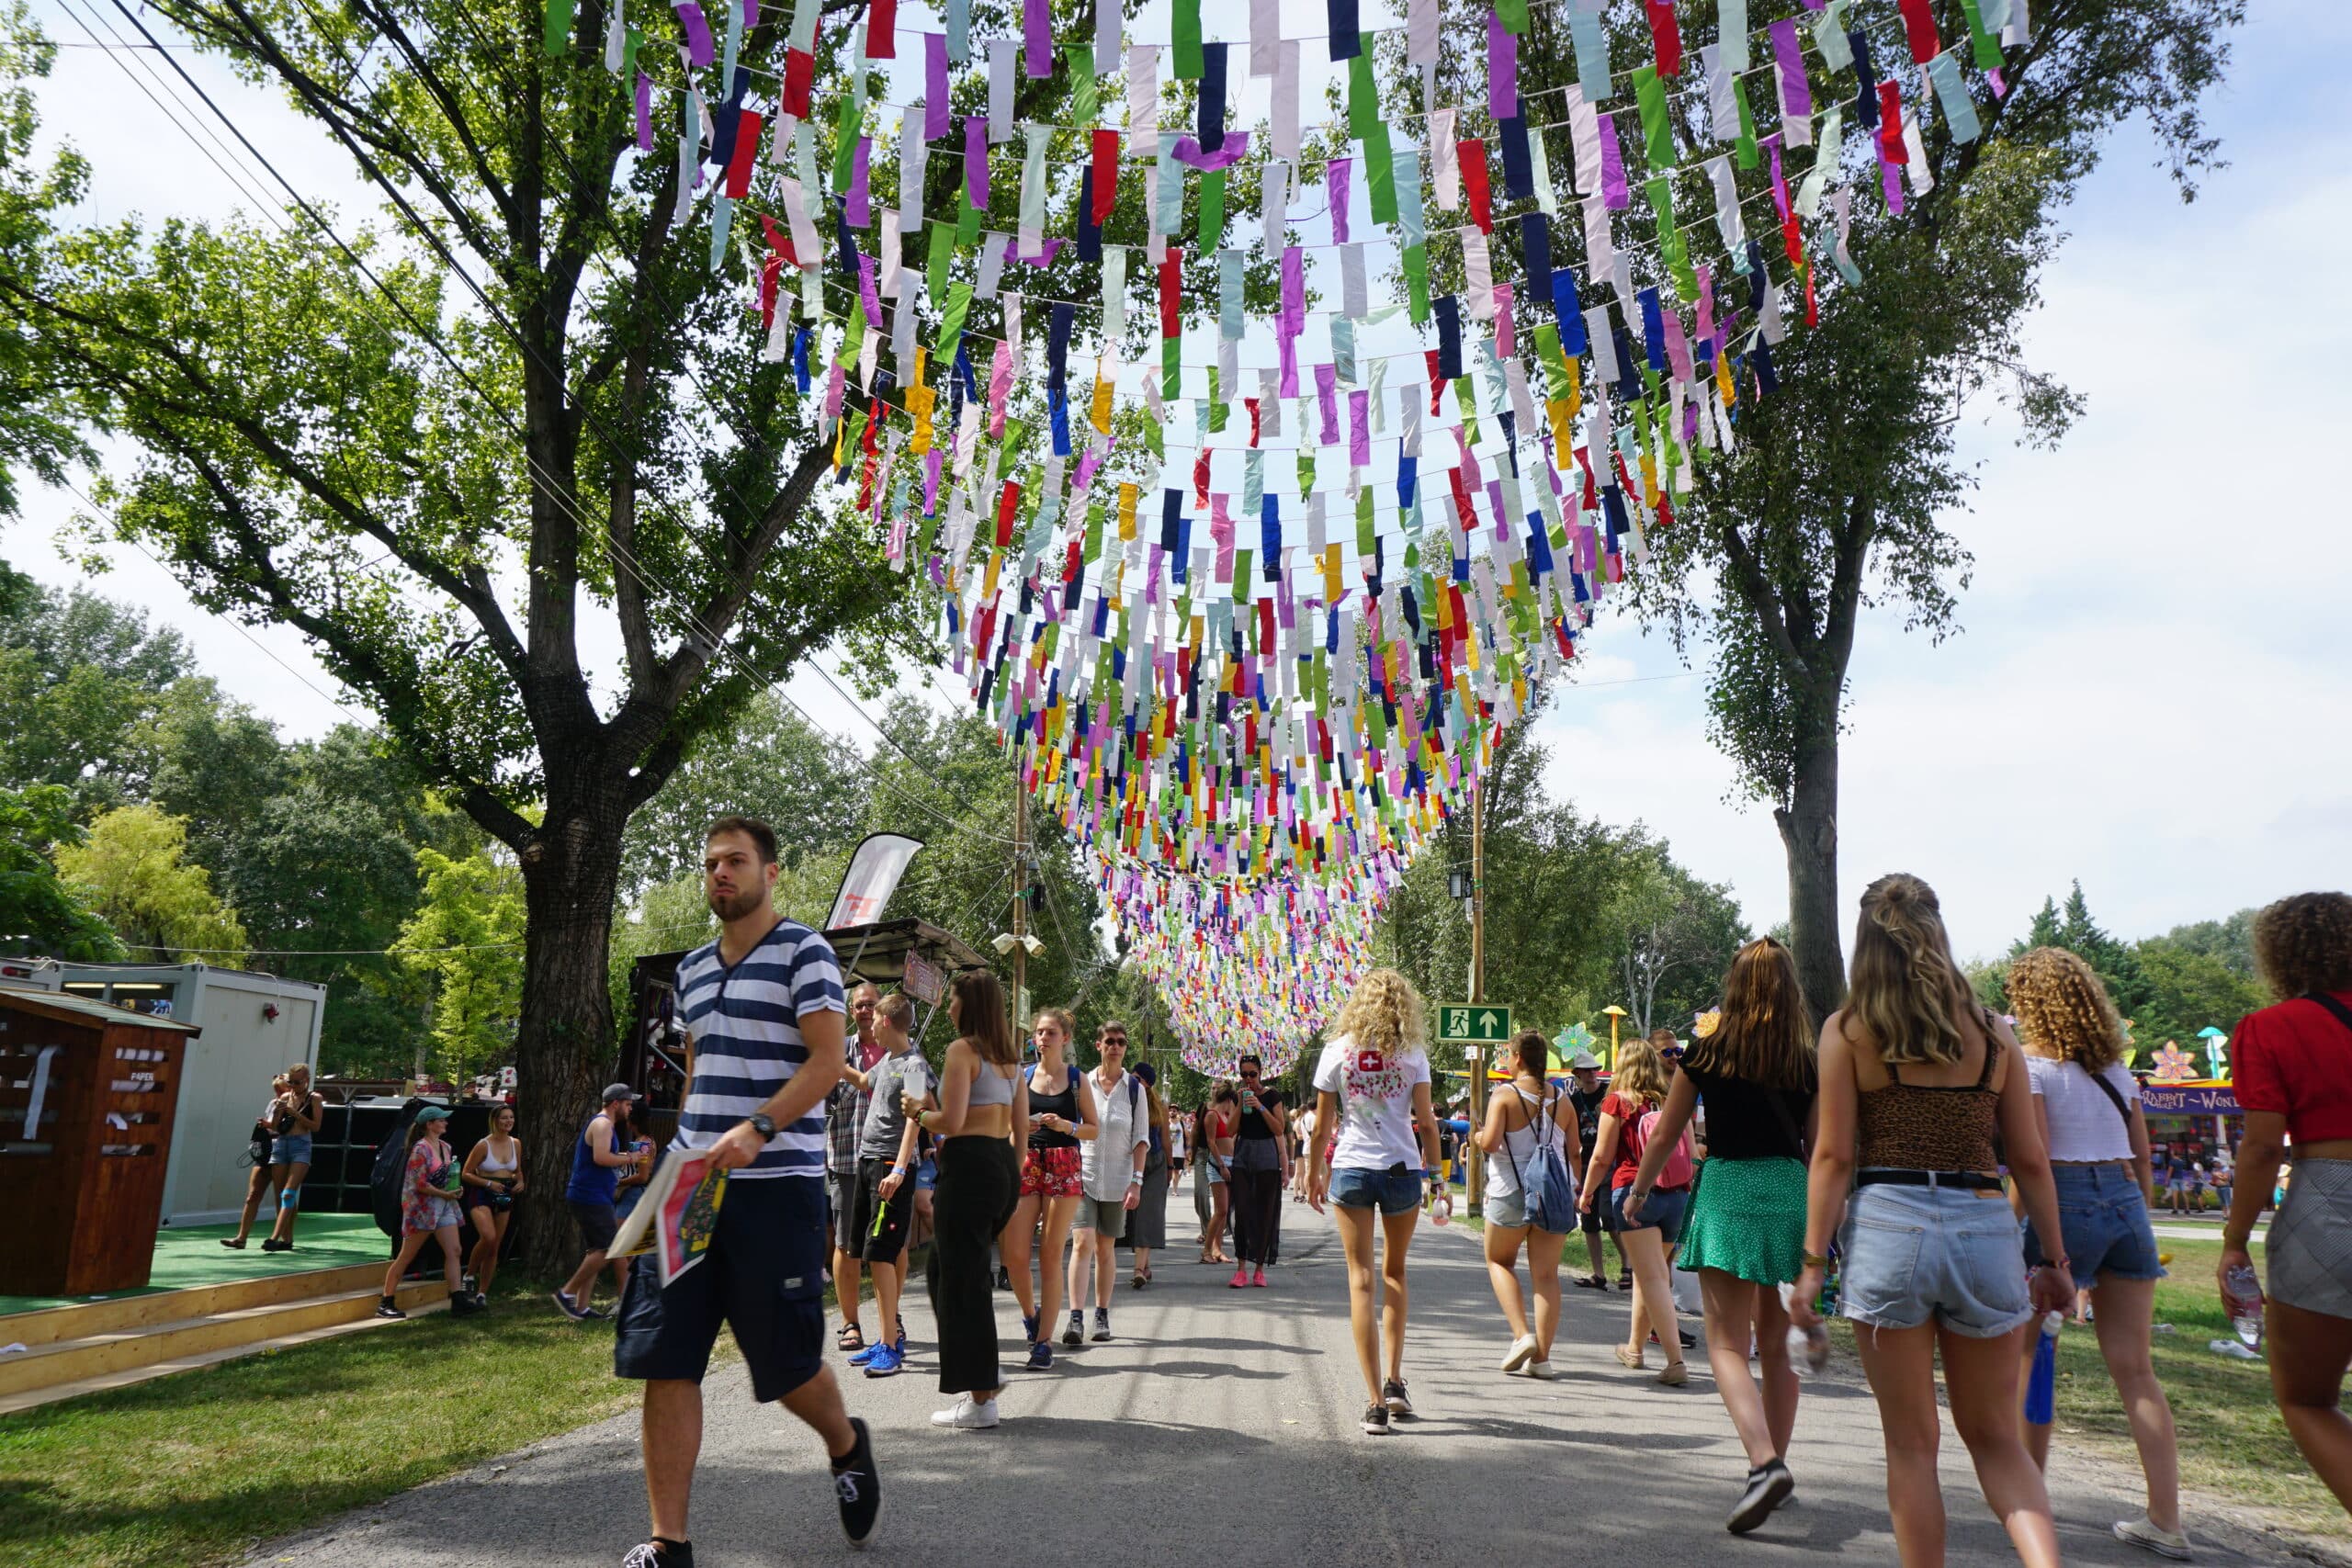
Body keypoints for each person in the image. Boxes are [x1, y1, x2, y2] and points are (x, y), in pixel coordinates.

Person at [613, 815, 879, 1568]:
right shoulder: (692, 970)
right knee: (665, 1356)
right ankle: (670, 1543)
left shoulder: (807, 953)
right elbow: (701, 1071)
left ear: (770, 872)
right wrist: (678, 1159)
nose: (719, 874)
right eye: (710, 864)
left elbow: (828, 1061)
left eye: (734, 861)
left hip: (776, 1186)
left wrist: (759, 1126)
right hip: (692, 1188)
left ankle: (846, 1442)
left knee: (786, 1365)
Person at [1788, 874, 2074, 1568]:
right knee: (1997, 1438)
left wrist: (1812, 1264)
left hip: (1890, 1227)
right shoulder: (1993, 1032)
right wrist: (2058, 1265)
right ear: (1937, 933)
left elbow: (1832, 1155)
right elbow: (2030, 1160)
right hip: (1983, 1227)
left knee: (1912, 1445)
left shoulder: (1849, 1030)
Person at [1628, 938, 1818, 1533]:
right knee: (1777, 1343)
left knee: (1727, 1345)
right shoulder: (1808, 1058)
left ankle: (1763, 1463)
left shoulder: (1708, 1051)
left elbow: (1667, 1133)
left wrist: (1639, 1191)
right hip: (1790, 1191)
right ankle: (1775, 1468)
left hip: (1729, 1190)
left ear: (1734, 986)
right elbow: (1819, 1145)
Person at [2004, 947, 2187, 1557]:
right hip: (2126, 1204)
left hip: (2065, 1200)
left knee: (2033, 1355)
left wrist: (2014, 1228)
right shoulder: (2114, 1070)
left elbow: (2035, 1158)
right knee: (2136, 1370)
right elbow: (2143, 1162)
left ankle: (2029, 1499)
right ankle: (2167, 1517)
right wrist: (2133, 1218)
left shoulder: (2030, 1066)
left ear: (2031, 1002)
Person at [2220, 891, 2352, 1519]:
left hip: (2328, 1203)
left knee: (2307, 1399)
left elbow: (2263, 1145)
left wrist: (2234, 1239)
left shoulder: (2271, 1028)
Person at [1306, 968, 1441, 1435]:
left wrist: (1312, 1172)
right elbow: (1427, 1122)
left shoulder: (1335, 1052)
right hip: (1403, 1169)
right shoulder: (1412, 1053)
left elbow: (1323, 1127)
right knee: (1395, 1273)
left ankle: (1374, 1404)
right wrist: (1438, 1176)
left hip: (1352, 1168)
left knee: (1360, 1281)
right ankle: (1396, 1381)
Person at [910, 968, 1025, 1430]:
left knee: (963, 1280)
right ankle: (983, 1373)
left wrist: (919, 1111)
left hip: (971, 1167)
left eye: (953, 1001)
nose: (949, 1008)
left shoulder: (962, 1051)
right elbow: (1020, 1129)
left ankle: (982, 1394)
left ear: (969, 1005)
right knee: (948, 1270)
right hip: (1000, 1167)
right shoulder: (1011, 1059)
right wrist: (1011, 1181)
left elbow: (951, 1121)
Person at [1577, 1036, 1691, 1386]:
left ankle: (1675, 1360)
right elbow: (1691, 1148)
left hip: (1636, 1193)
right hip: (1677, 1195)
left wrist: (1586, 1193)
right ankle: (1634, 1349)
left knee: (1654, 1277)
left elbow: (1601, 1157)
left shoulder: (1618, 1102)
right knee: (1650, 1273)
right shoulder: (1673, 1097)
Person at [1476, 1029, 1577, 1380]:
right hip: (1553, 1193)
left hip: (1511, 1192)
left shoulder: (1504, 1095)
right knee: (1547, 1275)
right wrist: (1577, 1189)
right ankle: (1543, 1359)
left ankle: (1522, 1336)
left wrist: (1476, 1135)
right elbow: (1574, 1151)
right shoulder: (1563, 1100)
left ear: (1518, 1058)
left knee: (1499, 1261)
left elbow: (1490, 1143)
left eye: (1508, 1054)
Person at [1001, 1006, 1095, 1371]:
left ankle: (1043, 1344)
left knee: (1051, 1255)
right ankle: (1031, 1316)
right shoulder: (1022, 1076)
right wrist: (1022, 1126)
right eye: (1039, 1032)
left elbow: (1093, 1129)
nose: (1043, 1038)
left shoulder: (1076, 1079)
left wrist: (1066, 1125)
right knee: (1014, 1256)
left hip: (1063, 1162)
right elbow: (1009, 1127)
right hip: (1026, 1161)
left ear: (1065, 1038)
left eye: (1050, 1032)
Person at [845, 991, 931, 1379]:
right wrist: (831, 1061)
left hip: (888, 1167)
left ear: (888, 1021)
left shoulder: (913, 1063)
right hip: (867, 1163)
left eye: (875, 1019)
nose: (869, 1025)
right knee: (872, 1255)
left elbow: (916, 1117)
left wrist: (898, 1169)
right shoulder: (887, 1061)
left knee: (882, 1255)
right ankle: (883, 1340)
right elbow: (864, 1081)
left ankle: (891, 1347)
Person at [1064, 1021, 1148, 1344]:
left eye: (1121, 1042)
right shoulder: (1082, 1084)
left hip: (1118, 1181)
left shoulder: (1134, 1090)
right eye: (1109, 1041)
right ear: (1098, 1045)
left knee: (1104, 1248)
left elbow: (1140, 1138)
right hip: (1082, 1176)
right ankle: (1075, 1318)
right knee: (1083, 1243)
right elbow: (1074, 1128)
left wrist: (1136, 1181)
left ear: (1126, 1047)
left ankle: (1101, 1314)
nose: (1115, 1046)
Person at [827, 981, 888, 1354]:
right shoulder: (837, 1051)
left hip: (889, 1162)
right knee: (847, 1245)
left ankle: (890, 1319)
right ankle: (850, 1322)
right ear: (851, 1011)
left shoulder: (901, 1051)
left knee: (889, 1246)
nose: (865, 1011)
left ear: (882, 1010)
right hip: (847, 1159)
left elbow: (916, 1104)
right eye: (859, 1006)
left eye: (871, 1005)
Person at [376, 1104, 478, 1319]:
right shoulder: (420, 1149)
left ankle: (457, 1299)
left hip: (444, 1206)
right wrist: (444, 1194)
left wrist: (454, 1190)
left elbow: (447, 1177)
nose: (446, 1122)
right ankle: (386, 1301)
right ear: (429, 1124)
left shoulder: (446, 1147)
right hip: (422, 1210)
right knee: (407, 1255)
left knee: (455, 1250)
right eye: (441, 1120)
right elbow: (419, 1184)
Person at [556, 1083, 642, 1320]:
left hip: (594, 1195)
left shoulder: (606, 1125)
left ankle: (582, 1308)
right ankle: (567, 1293)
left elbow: (603, 1155)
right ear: (616, 1103)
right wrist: (629, 1159)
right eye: (627, 1103)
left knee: (597, 1251)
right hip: (590, 1196)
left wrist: (626, 1156)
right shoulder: (603, 1124)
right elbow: (601, 1157)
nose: (630, 1108)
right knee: (608, 1249)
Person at [239, 1064, 322, 1252]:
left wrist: (293, 1112)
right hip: (281, 1145)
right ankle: (287, 1239)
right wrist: (277, 1113)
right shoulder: (285, 1097)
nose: (293, 1086)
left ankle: (274, 1237)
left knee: (288, 1193)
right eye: (290, 1082)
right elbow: (276, 1127)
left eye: (297, 1082)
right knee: (280, 1195)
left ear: (306, 1080)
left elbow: (316, 1126)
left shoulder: (314, 1098)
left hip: (301, 1145)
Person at [1562, 1052, 1622, 1290]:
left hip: (1609, 1161)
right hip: (1585, 1162)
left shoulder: (1609, 1093)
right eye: (1586, 1070)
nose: (1591, 1073)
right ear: (1577, 1074)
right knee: (1588, 1220)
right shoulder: (1573, 1100)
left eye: (1594, 1069)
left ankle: (1627, 1266)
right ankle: (1599, 1274)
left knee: (1609, 1214)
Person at [1227, 1054, 1288, 1288]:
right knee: (1241, 1211)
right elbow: (1231, 1130)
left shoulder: (1272, 1096)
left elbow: (1279, 1128)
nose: (1248, 1079)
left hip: (1266, 1157)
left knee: (1264, 1213)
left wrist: (1260, 1106)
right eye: (1244, 1075)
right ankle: (1241, 1268)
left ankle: (1259, 1269)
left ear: (1261, 1073)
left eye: (1252, 1074)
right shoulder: (1239, 1096)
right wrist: (1241, 1103)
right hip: (1243, 1155)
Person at [460, 1101, 525, 1307]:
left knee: (495, 1246)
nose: (509, 1121)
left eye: (511, 1117)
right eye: (504, 1117)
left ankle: (482, 1293)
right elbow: (466, 1173)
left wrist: (521, 1181)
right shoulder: (483, 1145)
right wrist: (489, 1183)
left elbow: (517, 1170)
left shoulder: (516, 1143)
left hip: (505, 1193)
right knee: (488, 1237)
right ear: (495, 1120)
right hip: (482, 1192)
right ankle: (469, 1276)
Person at [222, 1071, 288, 1249]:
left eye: (281, 1090)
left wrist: (269, 1126)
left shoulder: (294, 1105)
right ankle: (241, 1237)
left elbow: (284, 1128)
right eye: (276, 1090)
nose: (277, 1094)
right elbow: (269, 1125)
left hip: (282, 1152)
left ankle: (283, 1238)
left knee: (281, 1197)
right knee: (252, 1196)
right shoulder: (273, 1103)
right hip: (265, 1151)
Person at [1129, 1059, 1170, 1288]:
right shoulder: (1126, 1100)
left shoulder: (1159, 1106)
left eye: (1137, 1079)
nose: (1132, 1082)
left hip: (1156, 1163)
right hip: (1133, 1163)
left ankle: (1138, 1269)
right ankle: (1144, 1265)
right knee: (1137, 1217)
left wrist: (1171, 1168)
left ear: (1147, 1083)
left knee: (1148, 1215)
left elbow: (1165, 1141)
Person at [1195, 1088, 1237, 1264]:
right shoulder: (1212, 1115)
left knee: (1224, 1212)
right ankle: (1206, 1250)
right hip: (1218, 1165)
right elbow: (1211, 1142)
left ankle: (1218, 1249)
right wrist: (1221, 1165)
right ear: (1228, 1100)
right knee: (1220, 1211)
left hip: (1230, 1163)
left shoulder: (1226, 1116)